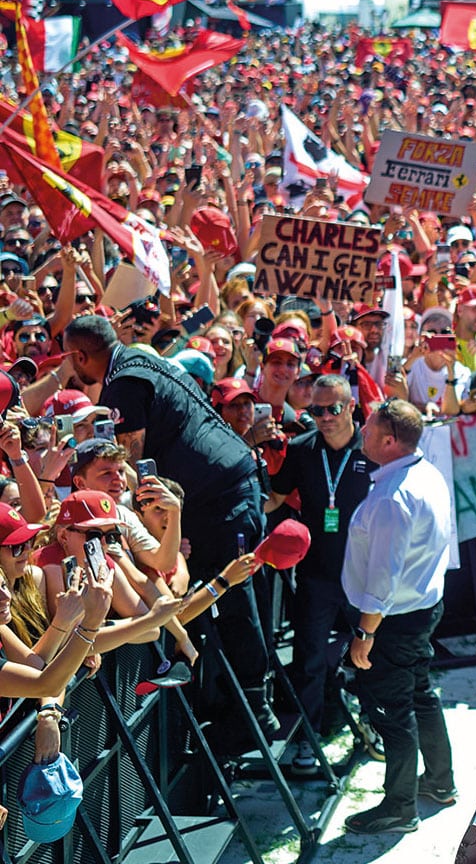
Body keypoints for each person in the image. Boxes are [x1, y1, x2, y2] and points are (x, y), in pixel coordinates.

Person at [61, 315, 274, 735]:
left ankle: (251, 713)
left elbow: (130, 465)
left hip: (218, 496)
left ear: (81, 355)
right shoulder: (142, 359)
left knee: (232, 599)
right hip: (229, 483)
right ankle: (244, 704)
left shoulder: (123, 384)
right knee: (233, 593)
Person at [341, 398, 456, 834]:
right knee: (421, 695)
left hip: (393, 619)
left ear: (390, 441)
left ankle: (399, 807)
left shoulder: (393, 496)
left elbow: (382, 580)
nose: (361, 432)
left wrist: (364, 634)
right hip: (420, 610)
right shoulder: (425, 474)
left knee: (394, 711)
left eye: (368, 428)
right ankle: (440, 783)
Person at [268, 375, 377, 774]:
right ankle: (308, 741)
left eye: (333, 409)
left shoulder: (373, 447)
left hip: (364, 575)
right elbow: (274, 498)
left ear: (351, 407)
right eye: (316, 410)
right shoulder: (300, 449)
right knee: (310, 660)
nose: (325, 417)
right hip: (316, 575)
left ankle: (372, 725)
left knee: (370, 656)